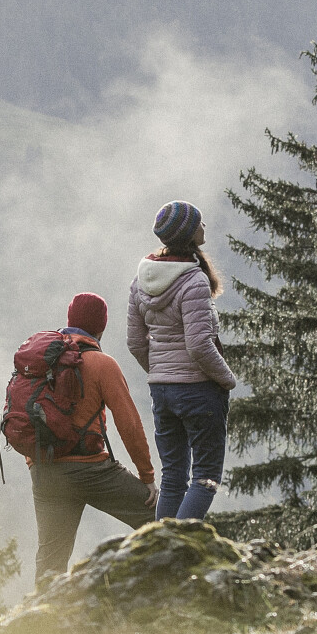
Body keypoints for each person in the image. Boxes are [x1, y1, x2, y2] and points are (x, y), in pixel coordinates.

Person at [25, 292, 157, 576]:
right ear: (101, 327)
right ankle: (172, 593)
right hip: (92, 471)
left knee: (50, 561)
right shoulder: (101, 364)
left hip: (44, 470)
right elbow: (129, 425)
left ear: (70, 320)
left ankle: (39, 619)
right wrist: (147, 478)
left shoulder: (40, 358)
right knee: (159, 519)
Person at [128, 200, 239, 521]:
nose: (204, 227)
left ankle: (160, 551)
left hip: (161, 392)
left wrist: (161, 372)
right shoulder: (193, 281)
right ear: (190, 233)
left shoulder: (140, 280)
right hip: (198, 391)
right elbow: (199, 345)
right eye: (200, 223)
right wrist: (227, 380)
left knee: (173, 477)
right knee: (205, 478)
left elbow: (135, 342)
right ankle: (177, 551)